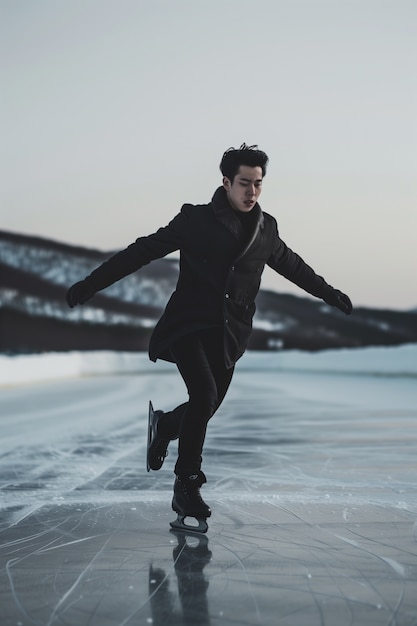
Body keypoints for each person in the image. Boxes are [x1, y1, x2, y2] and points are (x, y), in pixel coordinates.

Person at [66, 143, 352, 532]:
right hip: (189, 324)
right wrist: (89, 285)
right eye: (245, 183)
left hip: (230, 334)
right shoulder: (196, 220)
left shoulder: (267, 230)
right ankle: (186, 486)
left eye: (258, 184)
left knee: (207, 405)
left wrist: (330, 294)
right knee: (203, 396)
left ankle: (165, 427)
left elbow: (294, 267)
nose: (252, 192)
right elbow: (141, 252)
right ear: (226, 182)